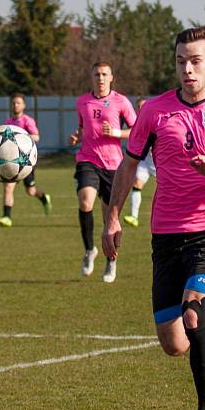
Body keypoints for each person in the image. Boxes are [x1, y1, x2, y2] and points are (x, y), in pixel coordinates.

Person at [102, 26, 205, 410]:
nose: (188, 68)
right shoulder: (154, 111)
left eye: (196, 60)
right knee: (174, 343)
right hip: (166, 237)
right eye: (182, 60)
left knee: (193, 314)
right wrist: (112, 218)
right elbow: (129, 165)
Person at [70, 62, 137, 282]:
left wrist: (116, 132)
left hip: (113, 165)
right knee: (85, 202)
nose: (100, 78)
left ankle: (111, 260)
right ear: (92, 77)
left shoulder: (121, 102)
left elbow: (137, 131)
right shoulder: (82, 102)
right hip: (87, 159)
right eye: (97, 74)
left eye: (104, 74)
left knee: (111, 218)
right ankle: (90, 250)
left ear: (111, 78)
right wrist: (77, 137)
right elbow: (82, 128)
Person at [0, 93, 52, 227]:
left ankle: (43, 197)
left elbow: (36, 137)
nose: (16, 105)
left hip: (25, 161)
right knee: (8, 187)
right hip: (10, 161)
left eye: (18, 103)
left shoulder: (27, 121)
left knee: (30, 191)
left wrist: (20, 138)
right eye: (14, 103)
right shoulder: (8, 123)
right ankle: (6, 217)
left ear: (23, 105)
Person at [123, 97, 155, 228]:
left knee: (166, 190)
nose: (142, 109)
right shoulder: (135, 123)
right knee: (136, 184)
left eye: (144, 106)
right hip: (145, 161)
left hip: (159, 162)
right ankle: (134, 217)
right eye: (139, 107)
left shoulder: (155, 119)